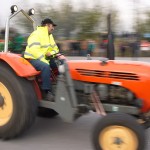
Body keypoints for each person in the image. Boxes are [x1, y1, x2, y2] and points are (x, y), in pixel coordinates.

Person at [24, 18, 59, 101]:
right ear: (47, 25)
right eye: (52, 26)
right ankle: (46, 91)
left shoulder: (49, 36)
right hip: (32, 58)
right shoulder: (35, 34)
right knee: (45, 66)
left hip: (43, 57)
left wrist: (51, 53)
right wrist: (45, 60)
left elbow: (56, 49)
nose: (53, 28)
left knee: (59, 63)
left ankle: (59, 84)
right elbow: (34, 51)